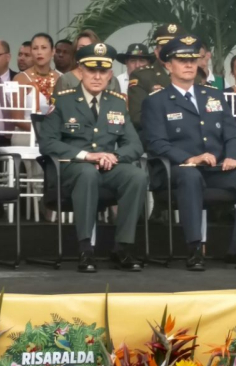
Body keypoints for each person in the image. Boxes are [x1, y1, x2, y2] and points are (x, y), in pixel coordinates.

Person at [142, 35, 236, 272]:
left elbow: (232, 134)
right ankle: (194, 249)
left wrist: (233, 155)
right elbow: (156, 143)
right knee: (191, 177)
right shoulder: (157, 101)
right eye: (182, 60)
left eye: (193, 59)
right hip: (177, 170)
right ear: (168, 65)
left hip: (216, 169)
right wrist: (190, 158)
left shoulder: (214, 96)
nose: (190, 65)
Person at [39, 43, 147, 273]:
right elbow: (47, 142)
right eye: (91, 70)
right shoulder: (63, 100)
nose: (97, 76)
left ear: (110, 74)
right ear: (81, 70)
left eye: (103, 71)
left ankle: (123, 247)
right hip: (73, 168)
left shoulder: (117, 102)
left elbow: (135, 144)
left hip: (108, 167)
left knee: (136, 176)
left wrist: (114, 156)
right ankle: (85, 248)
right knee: (87, 172)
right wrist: (87, 155)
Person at [127, 23, 188, 132]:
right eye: (165, 47)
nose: (170, 52)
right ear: (156, 52)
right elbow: (137, 118)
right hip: (158, 140)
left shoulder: (196, 76)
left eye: (175, 47)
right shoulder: (142, 76)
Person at [9, 33, 60, 144]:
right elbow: (16, 119)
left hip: (54, 136)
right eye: (35, 48)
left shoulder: (61, 79)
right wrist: (43, 131)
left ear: (53, 51)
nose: (39, 52)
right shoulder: (20, 78)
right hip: (26, 135)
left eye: (44, 48)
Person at [53, 30, 120, 94]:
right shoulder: (65, 80)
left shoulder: (113, 81)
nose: (86, 51)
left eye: (90, 47)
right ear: (75, 50)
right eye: (81, 47)